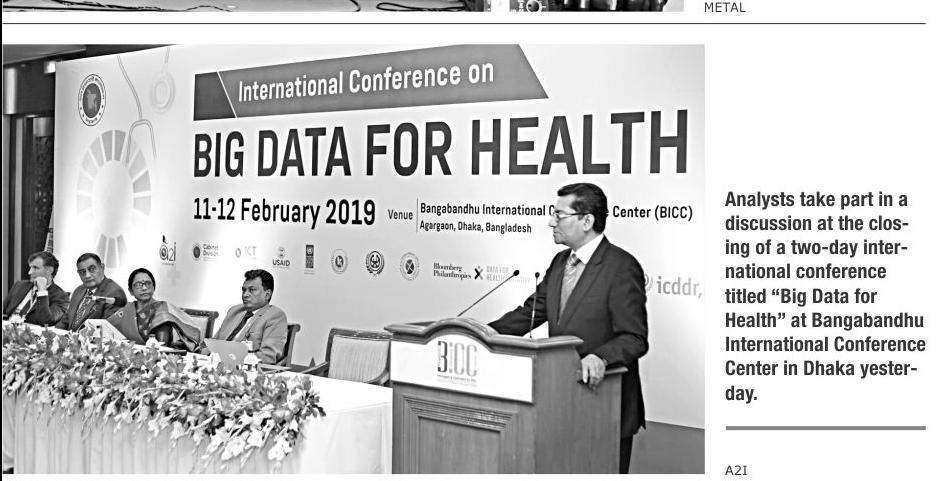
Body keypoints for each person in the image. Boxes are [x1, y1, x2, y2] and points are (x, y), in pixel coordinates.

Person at [489, 183, 648, 474]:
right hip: (561, 402)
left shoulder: (621, 267)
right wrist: (484, 334)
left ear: (587, 221)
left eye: (559, 215)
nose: (551, 222)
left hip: (605, 405)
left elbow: (634, 337)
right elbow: (531, 312)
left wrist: (601, 357)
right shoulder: (561, 261)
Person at [106, 268, 203, 352]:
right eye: (139, 285)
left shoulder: (162, 309)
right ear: (131, 291)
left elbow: (162, 346)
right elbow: (107, 327)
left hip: (156, 356)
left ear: (154, 287)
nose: (144, 288)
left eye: (148, 283)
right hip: (129, 355)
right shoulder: (127, 310)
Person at [211, 269, 288, 365]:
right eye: (244, 290)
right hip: (215, 364)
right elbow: (214, 341)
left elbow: (267, 356)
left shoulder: (275, 315)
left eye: (252, 290)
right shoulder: (234, 310)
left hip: (242, 368)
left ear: (267, 294)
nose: (245, 295)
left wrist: (232, 359)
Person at [58, 252, 127, 331]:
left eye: (92, 269)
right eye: (82, 272)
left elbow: (106, 330)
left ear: (102, 267)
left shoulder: (114, 292)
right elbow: (65, 320)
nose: (87, 275)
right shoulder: (78, 290)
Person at [1, 251, 69, 326]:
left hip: (29, 332)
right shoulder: (19, 285)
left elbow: (46, 321)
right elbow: (4, 310)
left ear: (49, 270)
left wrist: (42, 292)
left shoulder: (61, 297)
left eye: (35, 268)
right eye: (30, 267)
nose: (30, 272)